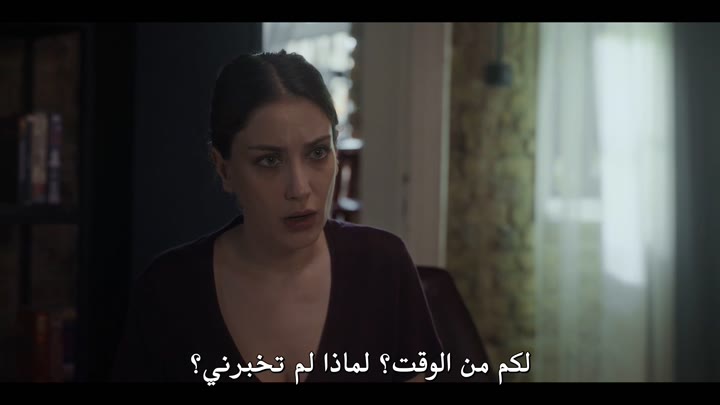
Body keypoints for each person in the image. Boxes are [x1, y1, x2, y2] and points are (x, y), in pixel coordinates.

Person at [111, 50, 443, 384]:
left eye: (318, 153)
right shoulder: (169, 291)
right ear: (224, 169)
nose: (299, 188)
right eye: (269, 161)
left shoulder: (384, 267)